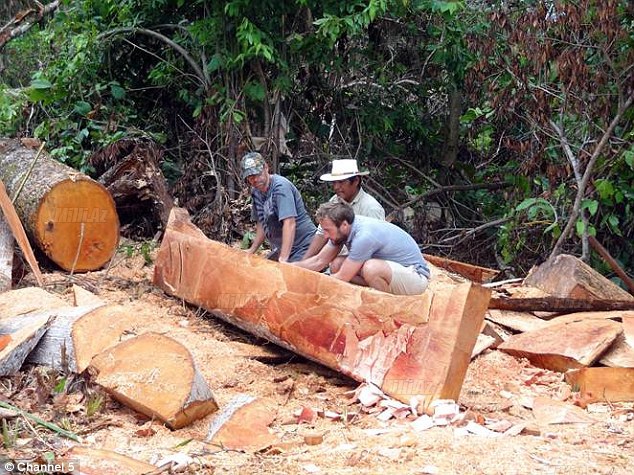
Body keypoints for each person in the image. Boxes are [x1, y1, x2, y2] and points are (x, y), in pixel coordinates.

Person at [294, 202, 430, 295]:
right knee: (336, 264)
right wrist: (287, 268)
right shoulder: (341, 230)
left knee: (371, 268)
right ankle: (365, 298)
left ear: (344, 225)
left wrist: (311, 288)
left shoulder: (364, 236)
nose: (325, 235)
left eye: (328, 230)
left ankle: (384, 306)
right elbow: (318, 261)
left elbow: (342, 277)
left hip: (415, 277)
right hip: (392, 272)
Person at [302, 159, 385, 268]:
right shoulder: (334, 201)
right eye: (334, 182)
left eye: (341, 182)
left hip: (364, 264)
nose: (336, 187)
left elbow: (375, 248)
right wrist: (304, 263)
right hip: (337, 261)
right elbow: (321, 234)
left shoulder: (371, 208)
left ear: (355, 181)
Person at [241, 151, 316, 263]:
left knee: (289, 276)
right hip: (282, 248)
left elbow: (289, 223)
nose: (255, 180)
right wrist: (252, 250)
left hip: (304, 246)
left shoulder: (280, 187)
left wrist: (283, 259)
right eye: (250, 177)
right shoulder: (256, 192)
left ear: (266, 167)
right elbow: (262, 222)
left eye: (257, 174)